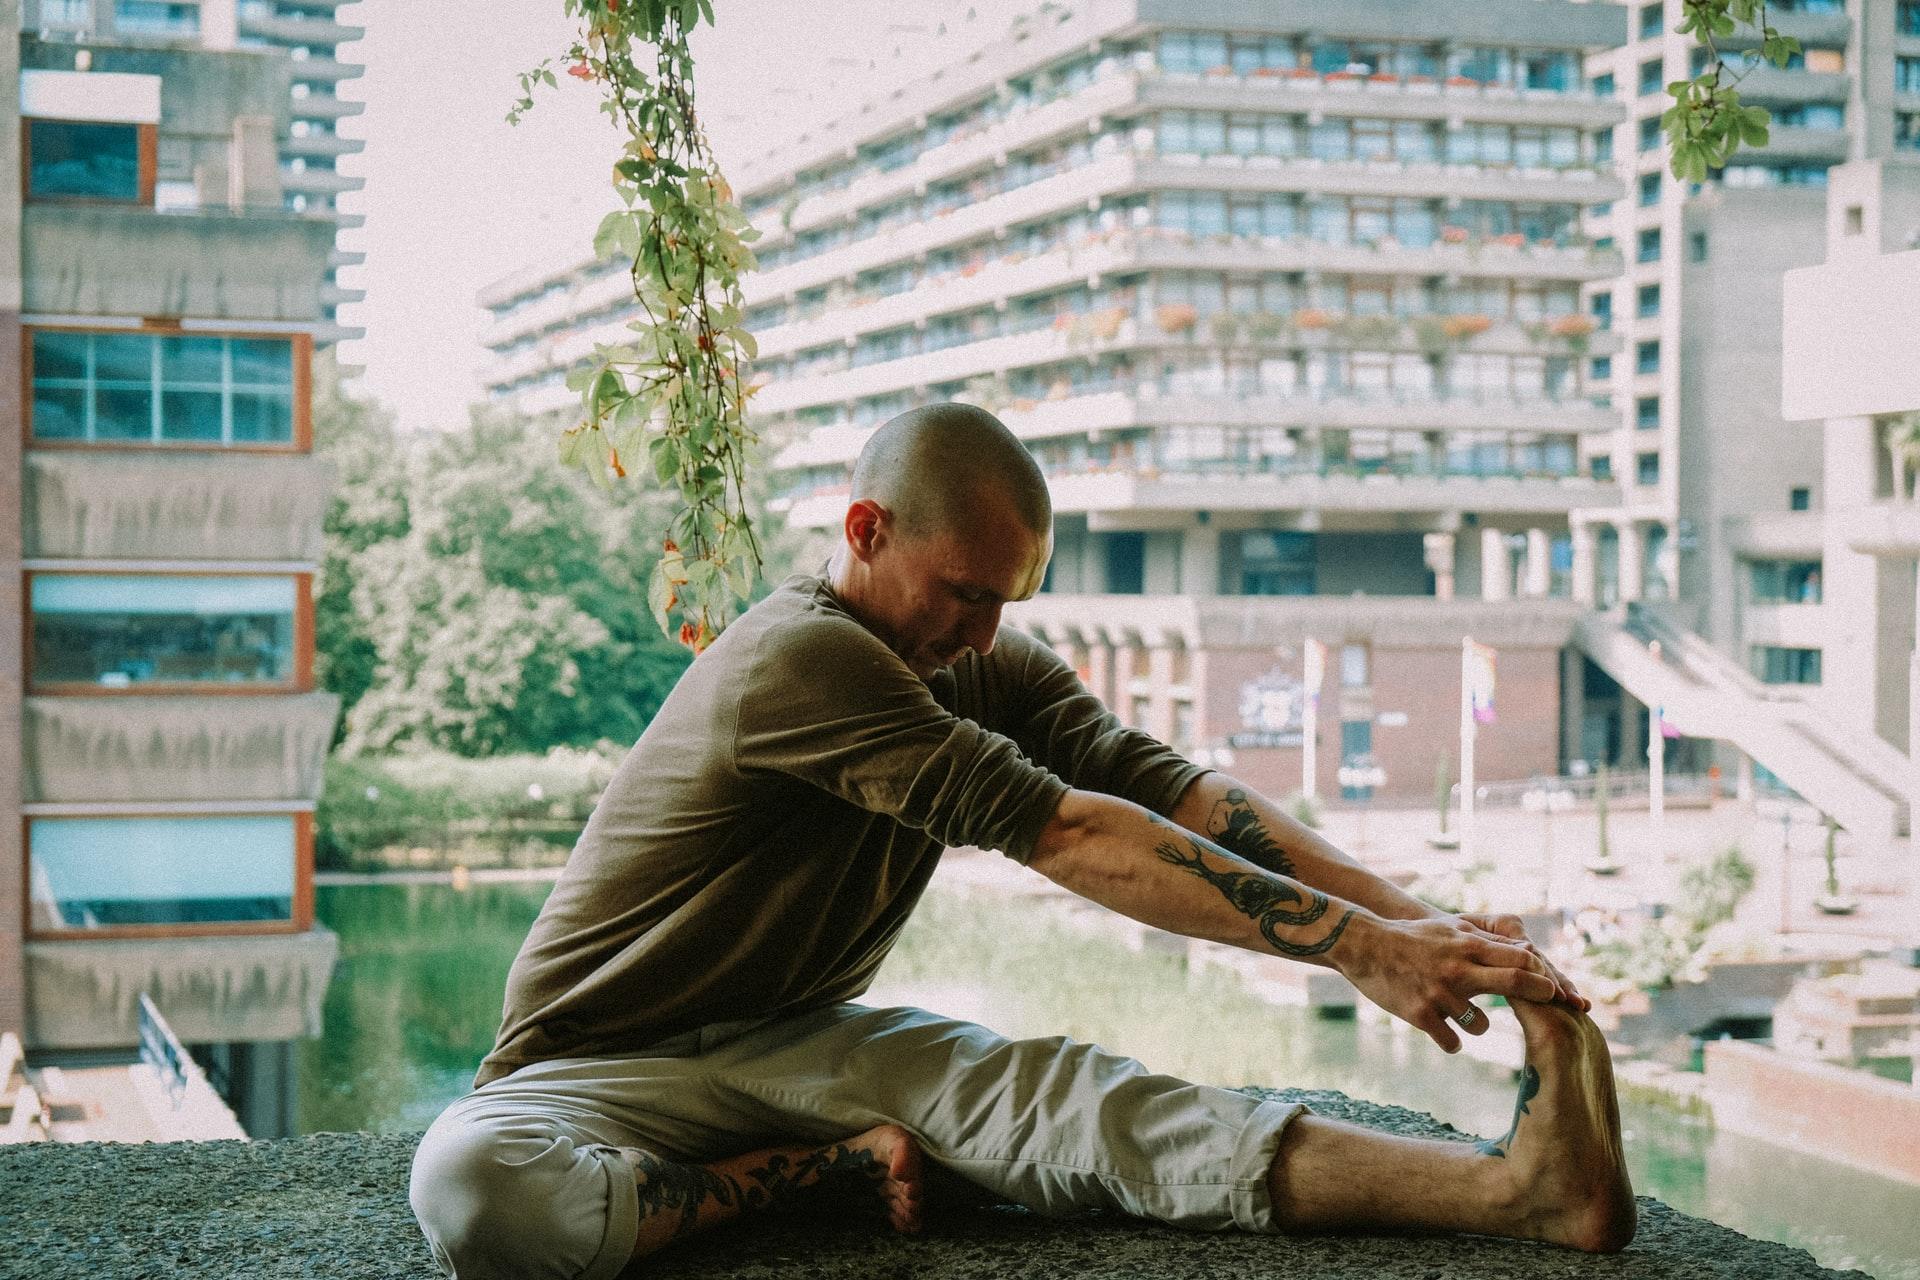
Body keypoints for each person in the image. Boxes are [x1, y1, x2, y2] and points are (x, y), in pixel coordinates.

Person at [409, 404, 1635, 1279]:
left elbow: (1167, 789)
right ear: (865, 528)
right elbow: (1061, 830)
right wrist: (1357, 951)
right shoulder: (797, 657)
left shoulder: (977, 656)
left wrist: (1413, 921)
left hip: (798, 1045)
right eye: (965, 591)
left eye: (1010, 599)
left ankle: (1519, 1191)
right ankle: (823, 1172)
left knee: (1084, 1109)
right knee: (473, 1186)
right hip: (599, 1070)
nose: (988, 636)